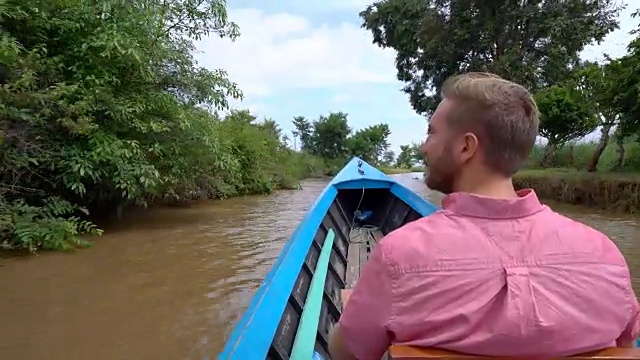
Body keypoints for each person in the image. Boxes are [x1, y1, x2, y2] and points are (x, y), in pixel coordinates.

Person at [328, 72, 639, 360]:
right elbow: (626, 344)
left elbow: (352, 353)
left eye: (431, 133)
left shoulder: (400, 254)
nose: (424, 148)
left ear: (466, 147)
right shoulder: (605, 254)